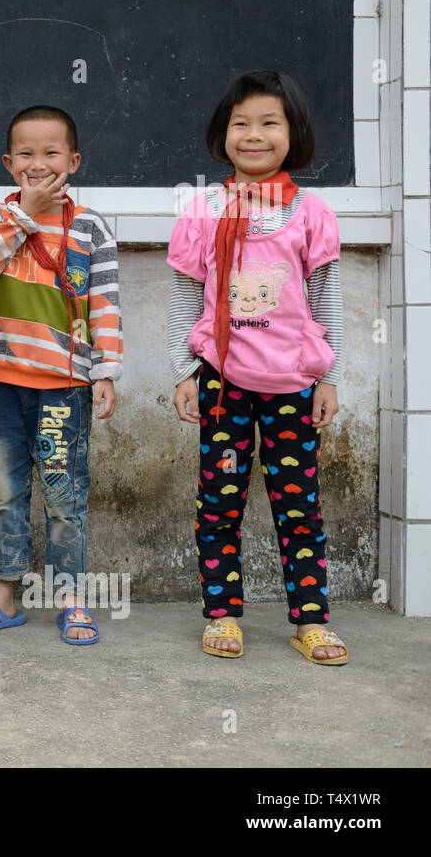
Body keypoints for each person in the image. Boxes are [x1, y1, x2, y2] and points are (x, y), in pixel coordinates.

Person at [168, 70, 347, 665]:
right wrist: (183, 369)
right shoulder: (204, 209)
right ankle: (222, 614)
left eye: (270, 122)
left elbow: (325, 299)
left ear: (293, 133)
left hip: (294, 385)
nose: (254, 135)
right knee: (219, 502)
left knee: (299, 506)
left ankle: (312, 620)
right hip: (223, 385)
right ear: (223, 134)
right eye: (240, 123)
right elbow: (184, 295)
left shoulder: (311, 213)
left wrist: (329, 375)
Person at [0, 105, 122, 645]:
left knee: (64, 496)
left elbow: (106, 305)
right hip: (3, 382)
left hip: (64, 388)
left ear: (73, 161)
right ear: (9, 162)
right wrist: (24, 213)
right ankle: (3, 596)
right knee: (1, 494)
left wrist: (105, 372)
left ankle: (72, 598)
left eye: (51, 153)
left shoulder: (91, 227)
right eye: (25, 154)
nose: (38, 163)